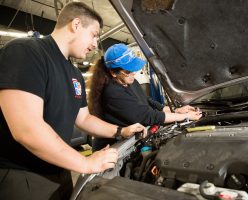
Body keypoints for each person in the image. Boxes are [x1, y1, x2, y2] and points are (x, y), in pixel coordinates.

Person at [0, 2, 146, 200]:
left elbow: (84, 119)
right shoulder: (27, 52)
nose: (96, 44)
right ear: (76, 24)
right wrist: (85, 163)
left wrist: (121, 131)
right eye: (94, 34)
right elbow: (27, 128)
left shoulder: (74, 73)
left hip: (61, 168)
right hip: (23, 175)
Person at [88, 43, 202, 150]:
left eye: (134, 69)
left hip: (129, 141)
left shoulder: (130, 80)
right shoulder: (112, 92)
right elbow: (148, 116)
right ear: (113, 73)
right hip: (113, 148)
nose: (133, 73)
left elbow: (147, 101)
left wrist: (177, 110)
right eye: (128, 70)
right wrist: (186, 116)